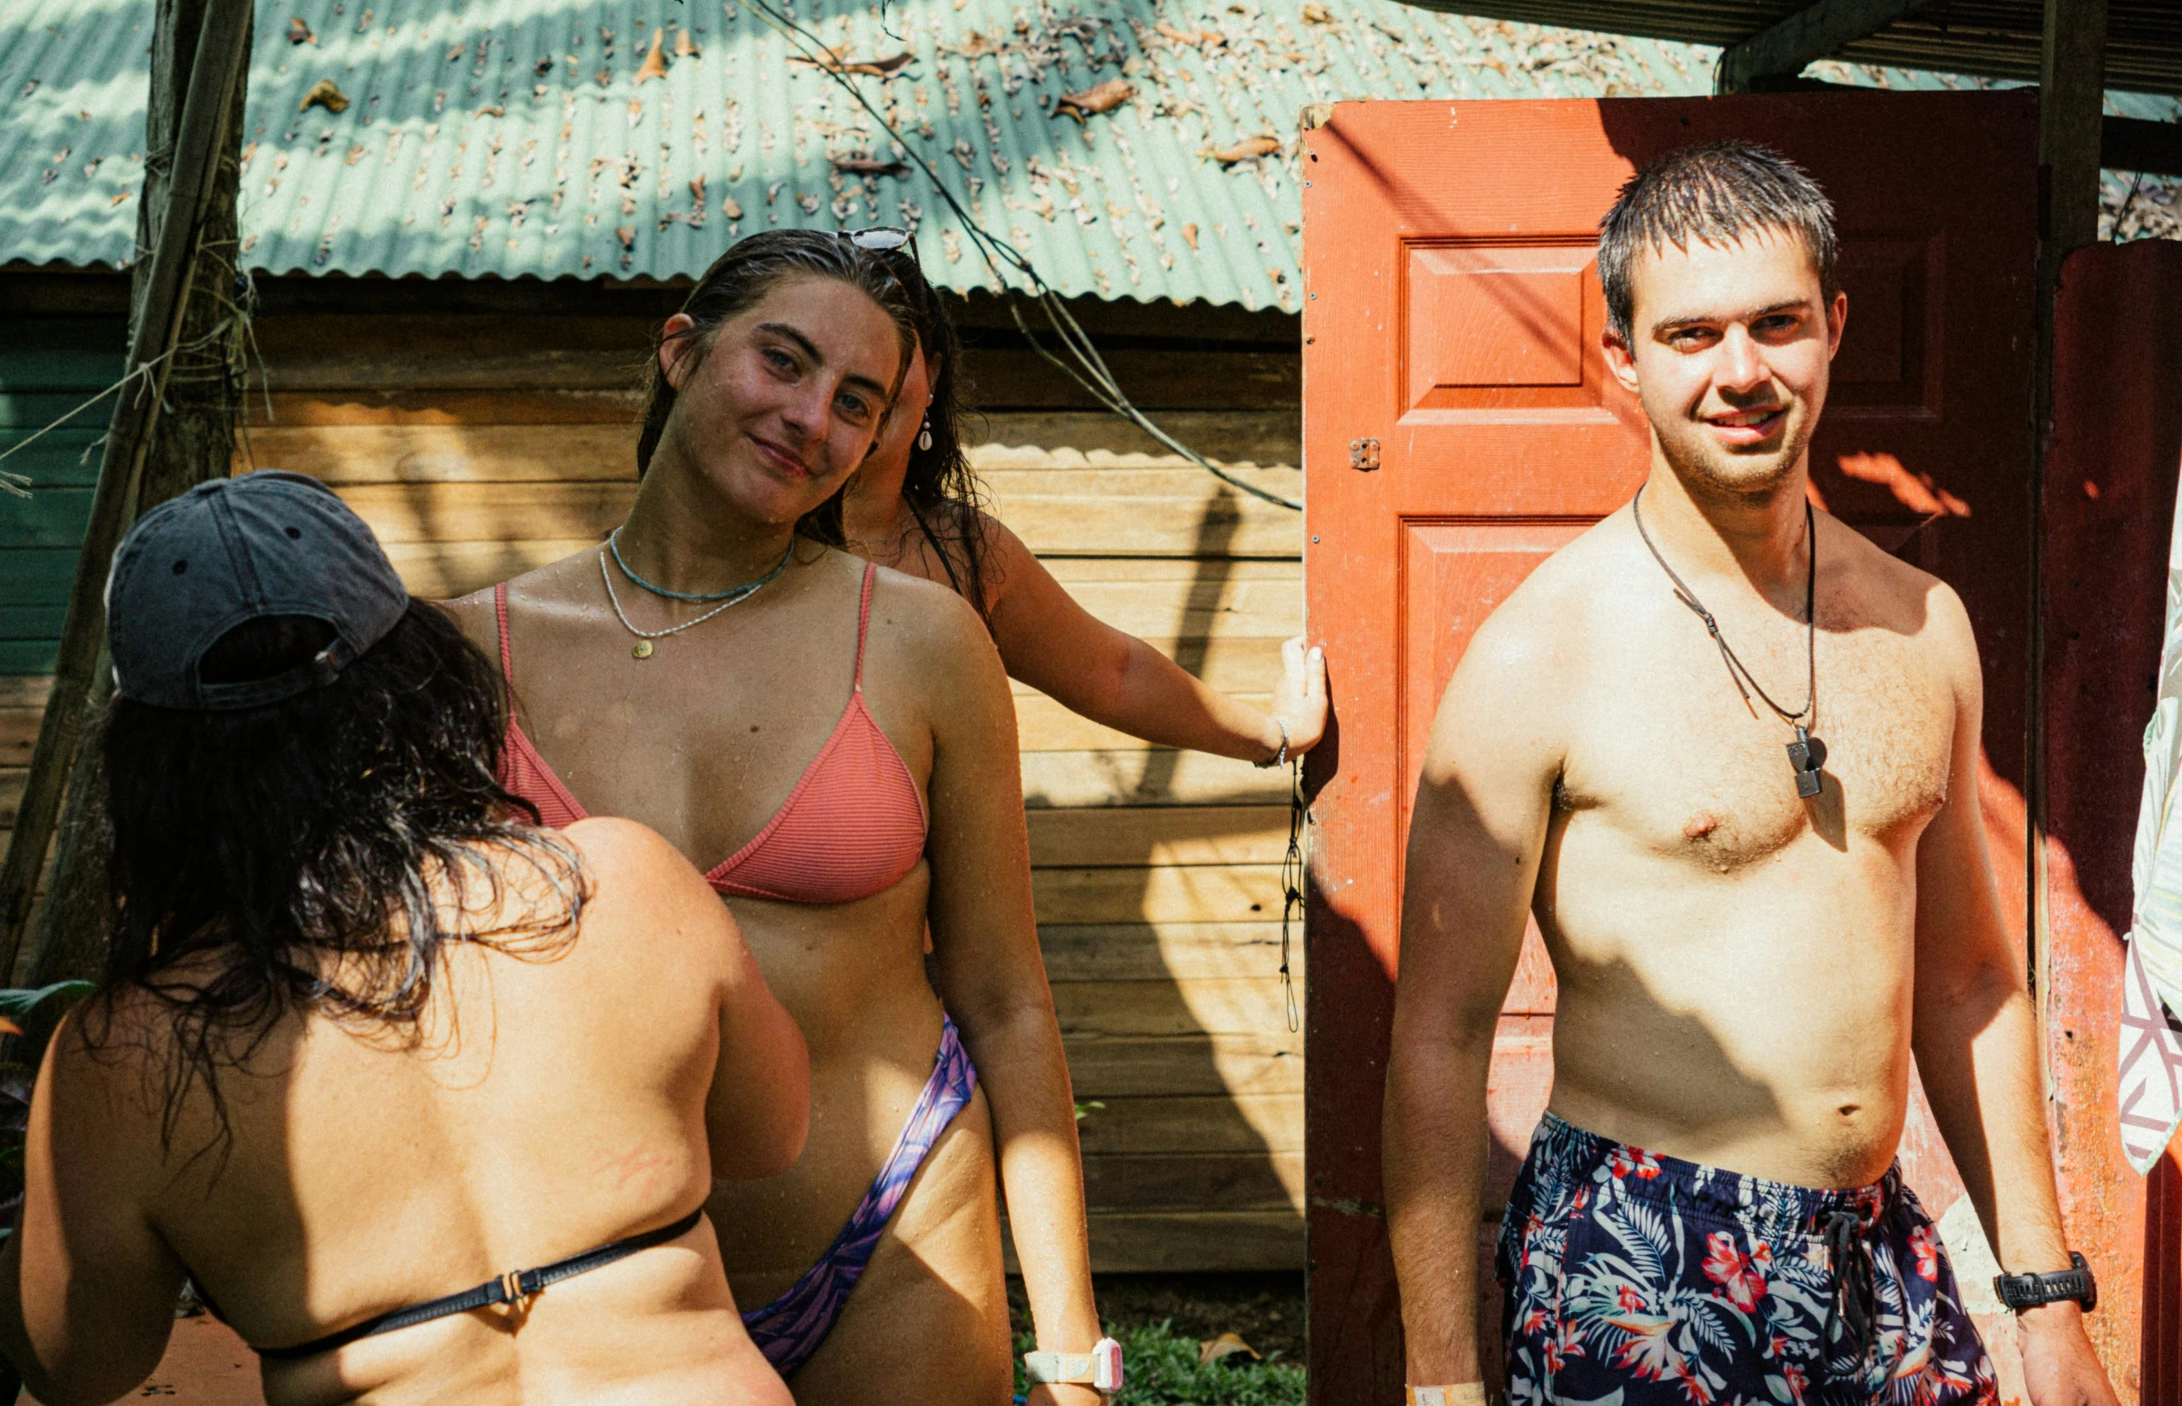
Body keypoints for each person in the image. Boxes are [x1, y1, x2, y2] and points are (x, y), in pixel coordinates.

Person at [1381, 143, 2118, 1406]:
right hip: (1635, 1257)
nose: (1741, 373)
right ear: (1622, 358)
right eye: (1691, 334)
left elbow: (1973, 983)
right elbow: (1439, 1035)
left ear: (1832, 327)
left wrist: (2043, 1303)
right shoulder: (1541, 653)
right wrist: (1441, 1376)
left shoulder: (1920, 626)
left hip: (1878, 1259)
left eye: (1778, 323)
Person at [446, 230, 1116, 1404]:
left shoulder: (921, 644)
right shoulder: (469, 653)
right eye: (784, 362)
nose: (814, 418)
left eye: (857, 401)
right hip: (592, 1277)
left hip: (898, 1239)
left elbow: (1006, 994)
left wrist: (1069, 1349)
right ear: (680, 352)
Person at [0, 471, 809, 1406]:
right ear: (422, 673)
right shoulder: (619, 882)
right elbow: (772, 1133)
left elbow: (75, 1364)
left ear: (154, 773)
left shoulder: (128, 1058)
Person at [836, 227, 1328, 769]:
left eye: (891, 351)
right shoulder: (743, 537)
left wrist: (1276, 735)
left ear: (930, 373)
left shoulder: (967, 551)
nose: (861, 380)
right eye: (820, 359)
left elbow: (1115, 674)